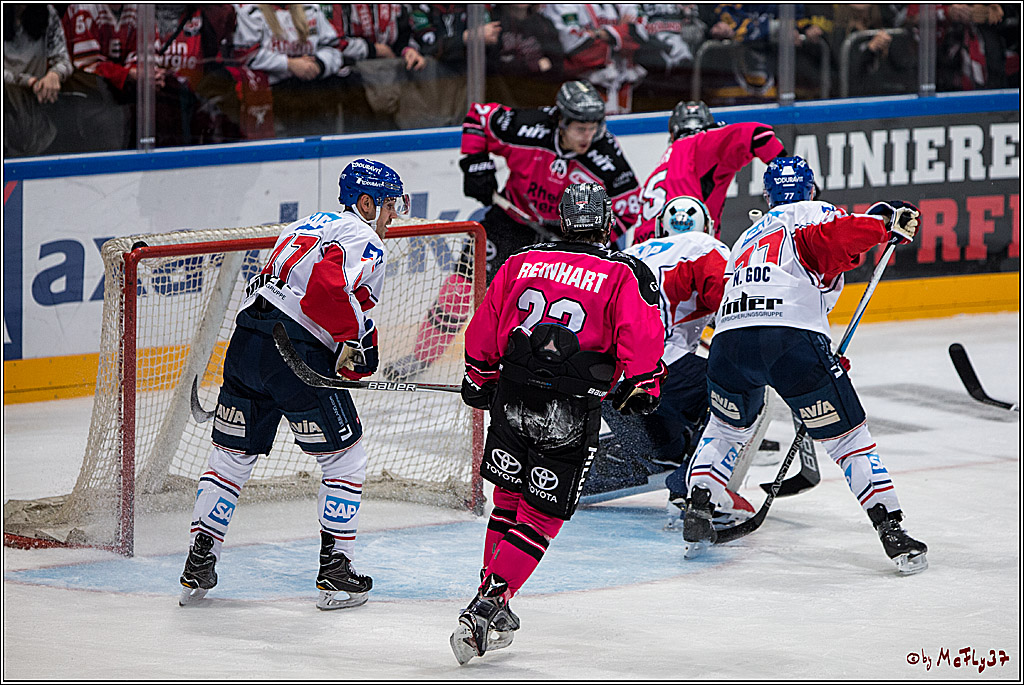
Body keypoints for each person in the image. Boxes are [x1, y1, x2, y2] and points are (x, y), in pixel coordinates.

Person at [677, 156, 929, 575]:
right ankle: (892, 530)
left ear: (767, 197)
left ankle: (699, 506)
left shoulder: (748, 234)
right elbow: (830, 241)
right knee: (849, 439)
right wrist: (881, 226)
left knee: (724, 429)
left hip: (728, 344)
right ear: (811, 189)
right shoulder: (816, 211)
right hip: (789, 342)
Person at [449, 182, 667, 664]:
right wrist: (644, 385)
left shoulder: (521, 259)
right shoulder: (624, 270)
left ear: (563, 220)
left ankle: (494, 597)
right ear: (606, 222)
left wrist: (479, 375)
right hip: (568, 410)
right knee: (540, 518)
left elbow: (486, 325)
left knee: (507, 501)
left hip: (512, 398)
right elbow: (643, 335)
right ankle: (489, 603)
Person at [178, 159, 409, 609]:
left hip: (246, 344)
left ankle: (198, 564)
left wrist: (355, 339)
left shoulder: (302, 225)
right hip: (293, 353)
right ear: (365, 203)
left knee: (231, 457)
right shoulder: (362, 236)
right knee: (346, 458)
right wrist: (350, 339)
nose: (393, 216)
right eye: (388, 205)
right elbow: (324, 290)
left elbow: (318, 291)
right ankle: (336, 573)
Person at [382, 79, 642, 381]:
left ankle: (531, 368)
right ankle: (420, 357)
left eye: (593, 128)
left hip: (561, 238)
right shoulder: (528, 127)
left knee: (544, 306)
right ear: (560, 120)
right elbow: (479, 116)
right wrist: (476, 163)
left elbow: (628, 206)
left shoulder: (606, 154)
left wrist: (585, 240)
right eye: (580, 129)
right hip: (509, 221)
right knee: (459, 289)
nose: (588, 136)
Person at [582, 195, 754, 527]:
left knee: (666, 447)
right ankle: (695, 489)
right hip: (658, 372)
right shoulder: (705, 245)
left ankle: (660, 454)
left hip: (603, 381)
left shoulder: (627, 254)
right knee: (739, 390)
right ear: (709, 224)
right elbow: (732, 308)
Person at [631, 99, 785, 246]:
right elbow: (758, 135)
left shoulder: (664, 163)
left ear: (673, 133)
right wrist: (787, 174)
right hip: (679, 251)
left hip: (640, 255)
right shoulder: (701, 144)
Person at [3, 3, 73, 157]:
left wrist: (54, 75)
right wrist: (29, 82)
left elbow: (63, 60)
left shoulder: (48, 13)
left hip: (38, 100)